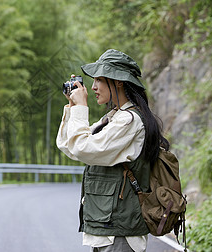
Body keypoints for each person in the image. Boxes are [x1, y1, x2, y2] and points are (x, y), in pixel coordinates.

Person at [56, 49, 169, 252]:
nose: (93, 87)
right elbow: (69, 146)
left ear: (118, 81)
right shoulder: (114, 117)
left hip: (120, 233)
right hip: (107, 229)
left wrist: (82, 107)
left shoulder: (129, 120)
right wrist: (73, 106)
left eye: (99, 79)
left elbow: (83, 148)